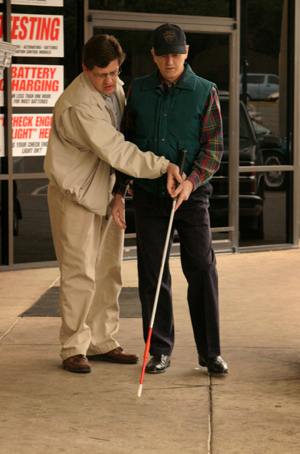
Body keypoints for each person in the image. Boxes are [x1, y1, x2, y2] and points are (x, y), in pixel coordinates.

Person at [44, 34, 182, 374]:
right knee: (79, 273)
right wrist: (163, 165)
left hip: (106, 194)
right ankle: (74, 347)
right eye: (102, 74)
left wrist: (119, 193)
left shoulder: (115, 88)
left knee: (109, 271)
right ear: (85, 70)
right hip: (73, 195)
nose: (110, 81)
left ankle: (103, 341)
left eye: (115, 72)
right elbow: (117, 150)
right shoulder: (78, 104)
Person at [114, 23, 228, 375]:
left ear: (187, 52)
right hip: (150, 197)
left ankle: (210, 353)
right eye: (163, 55)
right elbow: (126, 147)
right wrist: (120, 191)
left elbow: (213, 149)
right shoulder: (138, 91)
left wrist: (192, 183)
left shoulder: (205, 91)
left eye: (176, 54)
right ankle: (158, 349)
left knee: (202, 270)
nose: (170, 60)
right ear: (153, 55)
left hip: (191, 197)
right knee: (153, 275)